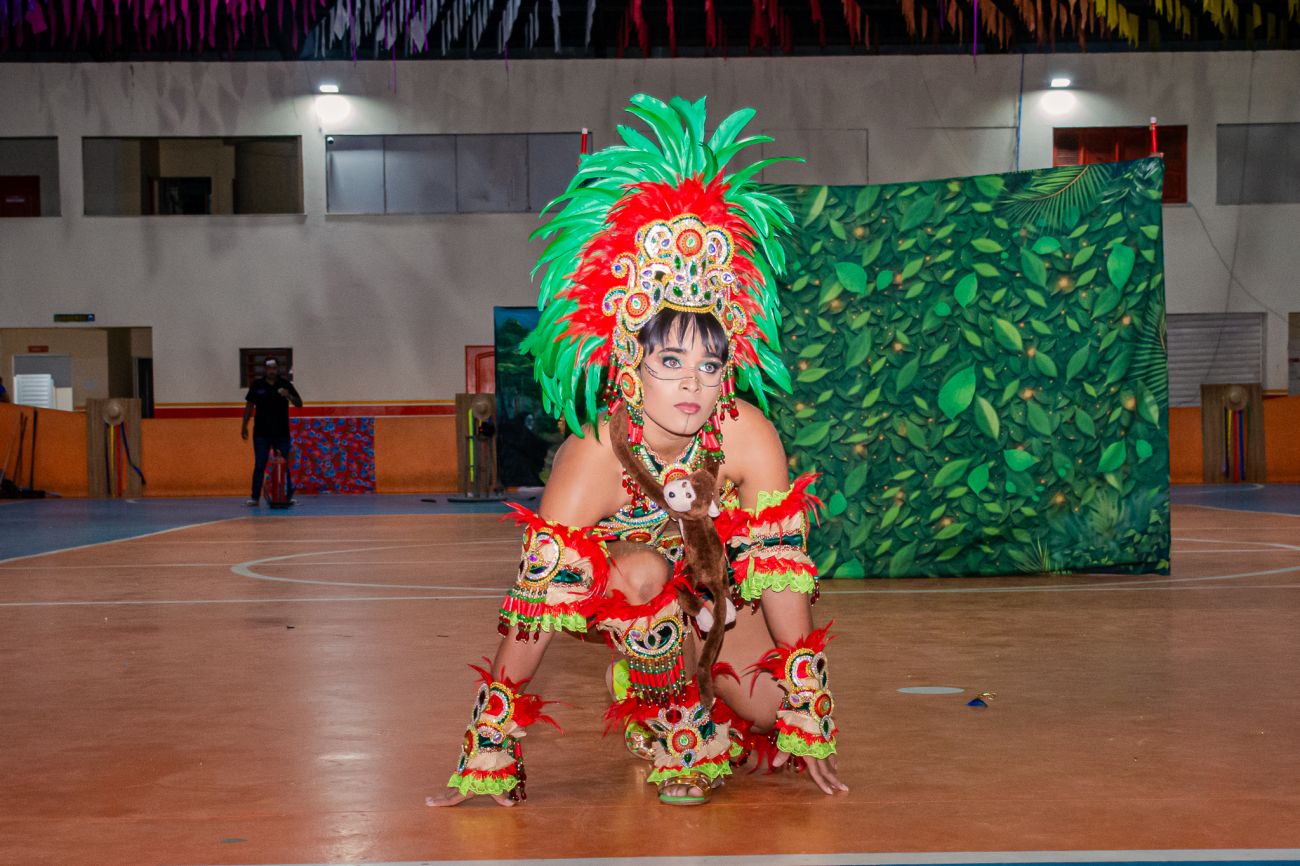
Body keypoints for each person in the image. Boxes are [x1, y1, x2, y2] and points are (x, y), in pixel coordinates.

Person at [427, 95, 847, 809]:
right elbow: (536, 607)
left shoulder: (748, 435)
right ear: (630, 364)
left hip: (713, 597)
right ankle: (665, 721)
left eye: (709, 365)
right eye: (670, 362)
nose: (691, 384)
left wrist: (808, 708)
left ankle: (703, 684)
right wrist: (489, 743)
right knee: (646, 571)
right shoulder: (591, 458)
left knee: (769, 713)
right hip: (628, 595)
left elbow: (779, 576)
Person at [240, 359, 302, 506]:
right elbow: (249, 406)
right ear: (264, 369)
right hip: (261, 433)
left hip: (282, 433)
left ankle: (287, 497)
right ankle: (255, 498)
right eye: (269, 368)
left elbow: (299, 404)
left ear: (278, 369)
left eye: (274, 368)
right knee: (259, 466)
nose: (272, 371)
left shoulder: (285, 384)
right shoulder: (257, 385)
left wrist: (289, 395)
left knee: (284, 465)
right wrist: (244, 425)